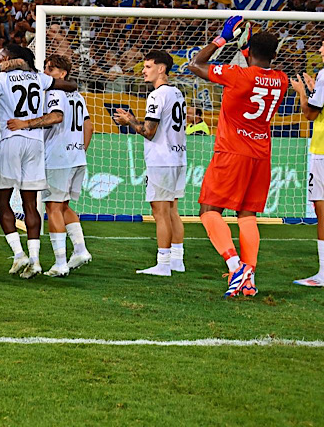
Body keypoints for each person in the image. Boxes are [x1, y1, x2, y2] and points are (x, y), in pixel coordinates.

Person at [188, 17, 289, 298]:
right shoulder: (281, 80)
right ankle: (249, 278)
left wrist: (223, 38)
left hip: (232, 152)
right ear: (275, 55)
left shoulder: (237, 74)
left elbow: (195, 64)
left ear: (249, 51)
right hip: (261, 155)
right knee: (247, 216)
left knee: (209, 212)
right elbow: (257, 66)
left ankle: (235, 267)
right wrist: (247, 45)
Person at [0, 45, 76, 279]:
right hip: (35, 143)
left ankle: (19, 253)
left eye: (0, 57)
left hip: (12, 139)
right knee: (30, 204)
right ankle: (35, 261)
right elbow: (71, 86)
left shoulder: (0, 77)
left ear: (9, 59)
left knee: (1, 201)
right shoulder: (39, 78)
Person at [113, 50, 187, 277]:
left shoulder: (156, 96)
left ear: (161, 69)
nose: (143, 71)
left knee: (160, 212)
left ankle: (163, 264)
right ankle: (177, 259)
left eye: (147, 67)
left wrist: (129, 120)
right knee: (173, 209)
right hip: (178, 157)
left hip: (161, 160)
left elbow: (148, 132)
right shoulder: (178, 93)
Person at [41, 54, 93, 277]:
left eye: (50, 70)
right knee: (63, 206)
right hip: (76, 157)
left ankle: (60, 262)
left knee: (52, 207)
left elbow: (56, 118)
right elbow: (88, 126)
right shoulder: (78, 96)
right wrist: (80, 150)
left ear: (62, 74)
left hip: (58, 158)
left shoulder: (54, 92)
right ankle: (80, 250)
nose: (46, 73)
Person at [289, 43, 324, 287]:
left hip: (322, 152)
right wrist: (315, 91)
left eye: (323, 46)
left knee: (322, 213)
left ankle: (322, 275)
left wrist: (302, 92)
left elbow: (311, 114)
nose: (320, 51)